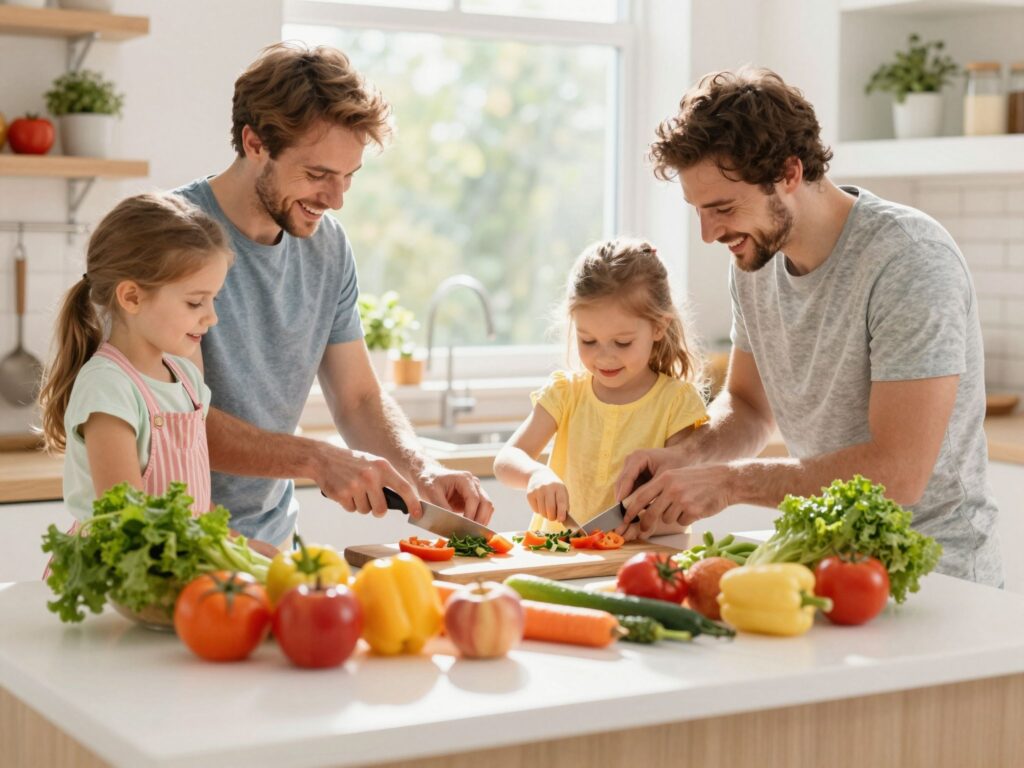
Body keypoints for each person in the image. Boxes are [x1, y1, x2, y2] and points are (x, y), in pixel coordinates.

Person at [616, 67, 1001, 585]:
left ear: (790, 173)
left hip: (937, 577)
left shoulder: (908, 260)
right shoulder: (754, 263)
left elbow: (899, 472)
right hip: (828, 562)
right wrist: (687, 456)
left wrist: (728, 484)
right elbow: (751, 407)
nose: (709, 234)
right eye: (698, 212)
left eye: (723, 208)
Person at [174, 42, 492, 550]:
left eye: (348, 177)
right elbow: (175, 418)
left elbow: (359, 397)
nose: (336, 198)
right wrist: (317, 458)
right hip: (175, 546)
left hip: (271, 549)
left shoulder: (326, 246)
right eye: (318, 175)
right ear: (255, 143)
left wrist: (421, 468)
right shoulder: (171, 236)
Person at [493, 237, 708, 534]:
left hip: (640, 561)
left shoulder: (677, 403)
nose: (604, 357)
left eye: (622, 342)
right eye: (588, 341)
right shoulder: (565, 393)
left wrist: (645, 527)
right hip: (560, 554)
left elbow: (681, 500)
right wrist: (535, 474)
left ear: (659, 327)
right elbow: (506, 460)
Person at [38, 193, 232, 522]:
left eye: (212, 299)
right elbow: (127, 520)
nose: (211, 317)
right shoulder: (108, 387)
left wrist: (238, 546)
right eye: (195, 302)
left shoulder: (186, 379)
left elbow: (197, 506)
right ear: (131, 297)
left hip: (176, 567)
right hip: (117, 572)